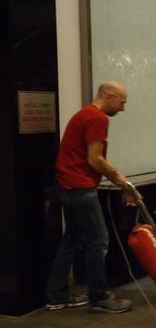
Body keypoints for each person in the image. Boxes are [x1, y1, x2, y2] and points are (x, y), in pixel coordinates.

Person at [46, 81, 134, 313]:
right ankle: (99, 297)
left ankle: (56, 296)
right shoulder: (97, 118)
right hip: (79, 187)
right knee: (99, 240)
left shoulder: (82, 115)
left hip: (65, 185)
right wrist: (120, 180)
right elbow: (95, 159)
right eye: (121, 102)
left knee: (72, 240)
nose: (123, 108)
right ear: (108, 96)